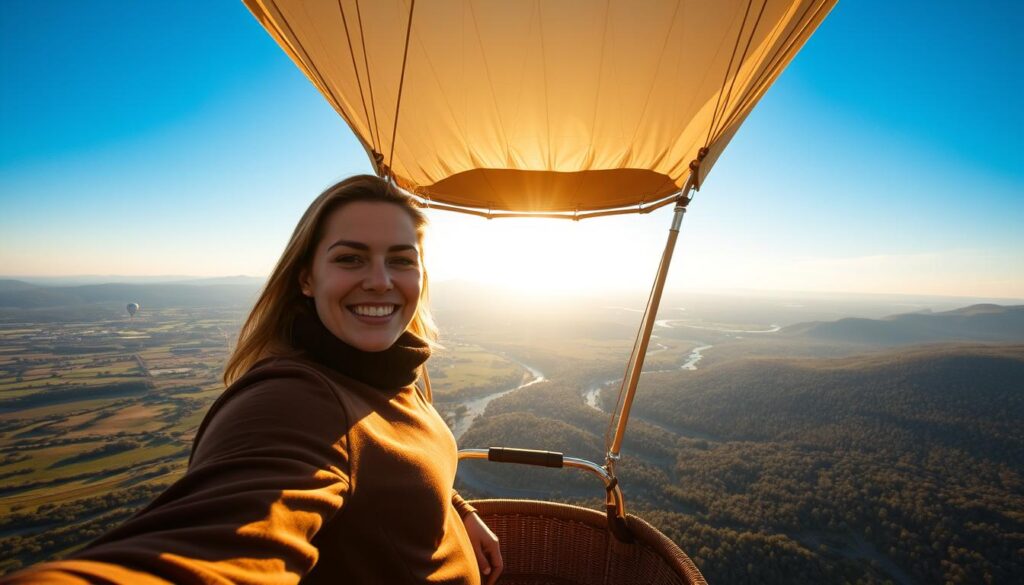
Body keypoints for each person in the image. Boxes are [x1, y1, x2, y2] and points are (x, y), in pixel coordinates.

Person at [3, 175, 503, 584]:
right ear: (306, 278)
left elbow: (394, 466)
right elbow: (212, 552)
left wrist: (458, 510)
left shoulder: (392, 368)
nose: (380, 279)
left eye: (401, 259)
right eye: (350, 258)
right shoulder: (297, 401)